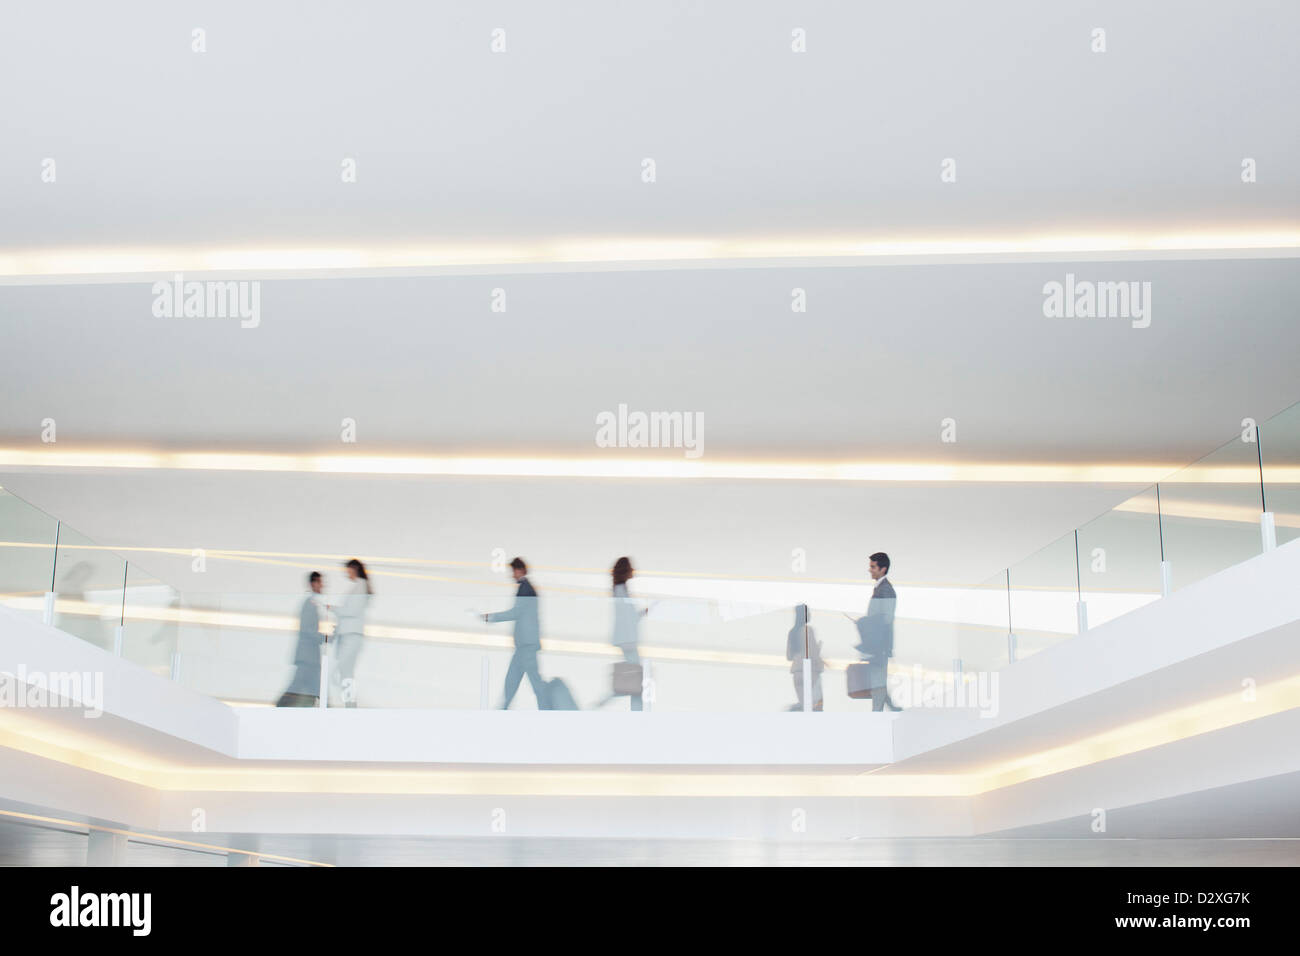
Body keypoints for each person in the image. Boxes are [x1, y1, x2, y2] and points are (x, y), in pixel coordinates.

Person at [483, 557, 545, 709]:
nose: (512, 575)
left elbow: (515, 613)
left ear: (520, 570)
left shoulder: (525, 588)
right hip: (525, 645)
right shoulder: (527, 587)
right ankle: (503, 708)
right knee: (512, 681)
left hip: (526, 645)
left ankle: (547, 710)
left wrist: (491, 617)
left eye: (513, 571)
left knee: (534, 683)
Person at [598, 557, 648, 710]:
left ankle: (607, 701)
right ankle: (605, 702)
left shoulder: (620, 589)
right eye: (631, 568)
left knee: (635, 680)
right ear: (626, 571)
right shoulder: (620, 590)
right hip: (627, 641)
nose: (634, 570)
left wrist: (641, 613)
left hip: (627, 640)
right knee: (637, 681)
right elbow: (626, 618)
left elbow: (627, 616)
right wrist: (641, 614)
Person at [855, 552, 900, 712]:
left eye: (873, 567)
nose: (870, 570)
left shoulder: (885, 590)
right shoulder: (880, 589)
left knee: (877, 683)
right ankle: (892, 710)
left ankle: (877, 716)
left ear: (883, 569)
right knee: (878, 681)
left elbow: (886, 619)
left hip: (878, 646)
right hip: (876, 645)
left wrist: (865, 623)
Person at [327, 559, 371, 707]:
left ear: (354, 569)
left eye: (348, 570)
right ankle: (350, 704)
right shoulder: (358, 587)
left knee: (341, 672)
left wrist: (333, 608)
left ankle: (350, 704)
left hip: (351, 636)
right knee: (345, 673)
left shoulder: (360, 586)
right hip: (347, 636)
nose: (346, 574)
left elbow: (352, 611)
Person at [277, 572, 324, 707]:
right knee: (301, 687)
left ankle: (279, 708)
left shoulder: (312, 603)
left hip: (310, 659)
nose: (322, 585)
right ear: (313, 584)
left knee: (315, 689)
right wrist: (325, 637)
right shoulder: (309, 604)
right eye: (320, 582)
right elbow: (308, 629)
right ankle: (278, 708)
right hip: (307, 658)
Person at [786, 604, 824, 711]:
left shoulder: (792, 632)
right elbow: (813, 654)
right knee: (817, 708)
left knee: (805, 707)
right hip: (810, 673)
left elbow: (789, 656)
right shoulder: (808, 630)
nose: (810, 615)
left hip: (797, 674)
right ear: (804, 615)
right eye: (808, 613)